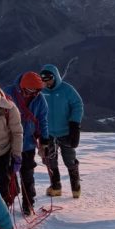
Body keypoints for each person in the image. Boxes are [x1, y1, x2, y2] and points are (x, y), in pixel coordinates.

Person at [3, 72, 51, 215]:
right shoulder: (7, 93)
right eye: (31, 90)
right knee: (7, 175)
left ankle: (28, 204)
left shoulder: (40, 99)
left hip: (28, 144)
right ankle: (7, 201)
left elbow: (43, 120)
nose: (34, 93)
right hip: (9, 143)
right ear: (22, 87)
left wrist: (44, 140)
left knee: (27, 175)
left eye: (37, 91)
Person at [39, 64, 84, 198]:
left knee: (69, 160)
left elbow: (78, 105)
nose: (47, 82)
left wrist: (75, 124)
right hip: (48, 133)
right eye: (44, 80)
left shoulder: (66, 89)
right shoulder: (41, 91)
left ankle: (76, 187)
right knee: (50, 160)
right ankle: (56, 187)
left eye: (49, 79)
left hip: (66, 132)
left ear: (55, 77)